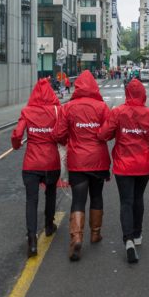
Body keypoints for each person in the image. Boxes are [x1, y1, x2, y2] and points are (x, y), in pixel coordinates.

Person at [100, 78, 149, 264]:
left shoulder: (118, 112)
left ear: (127, 93)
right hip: (144, 163)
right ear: (143, 94)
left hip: (123, 164)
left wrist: (119, 134)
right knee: (138, 198)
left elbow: (103, 134)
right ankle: (137, 234)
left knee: (126, 201)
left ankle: (128, 239)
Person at [53, 70, 110, 261]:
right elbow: (108, 133)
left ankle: (76, 237)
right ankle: (95, 233)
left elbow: (59, 135)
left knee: (78, 200)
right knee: (96, 196)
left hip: (77, 160)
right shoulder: (102, 107)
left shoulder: (67, 107)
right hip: (99, 160)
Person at [10, 78, 63, 258]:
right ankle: (49, 225)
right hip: (51, 161)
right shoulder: (57, 111)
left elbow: (17, 134)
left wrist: (17, 145)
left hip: (31, 163)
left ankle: (32, 240)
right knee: (50, 192)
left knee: (31, 200)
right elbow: (62, 135)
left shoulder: (27, 111)